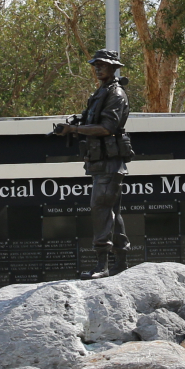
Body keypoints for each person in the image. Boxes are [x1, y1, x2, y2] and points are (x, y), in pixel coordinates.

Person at [52, 50, 134, 278]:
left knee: (100, 210)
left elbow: (107, 127)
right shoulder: (100, 92)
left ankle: (103, 265)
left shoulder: (116, 94)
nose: (98, 68)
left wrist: (75, 130)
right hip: (100, 163)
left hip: (110, 163)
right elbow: (91, 118)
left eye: (102, 65)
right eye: (95, 65)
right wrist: (74, 123)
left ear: (114, 67)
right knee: (111, 213)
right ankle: (120, 262)